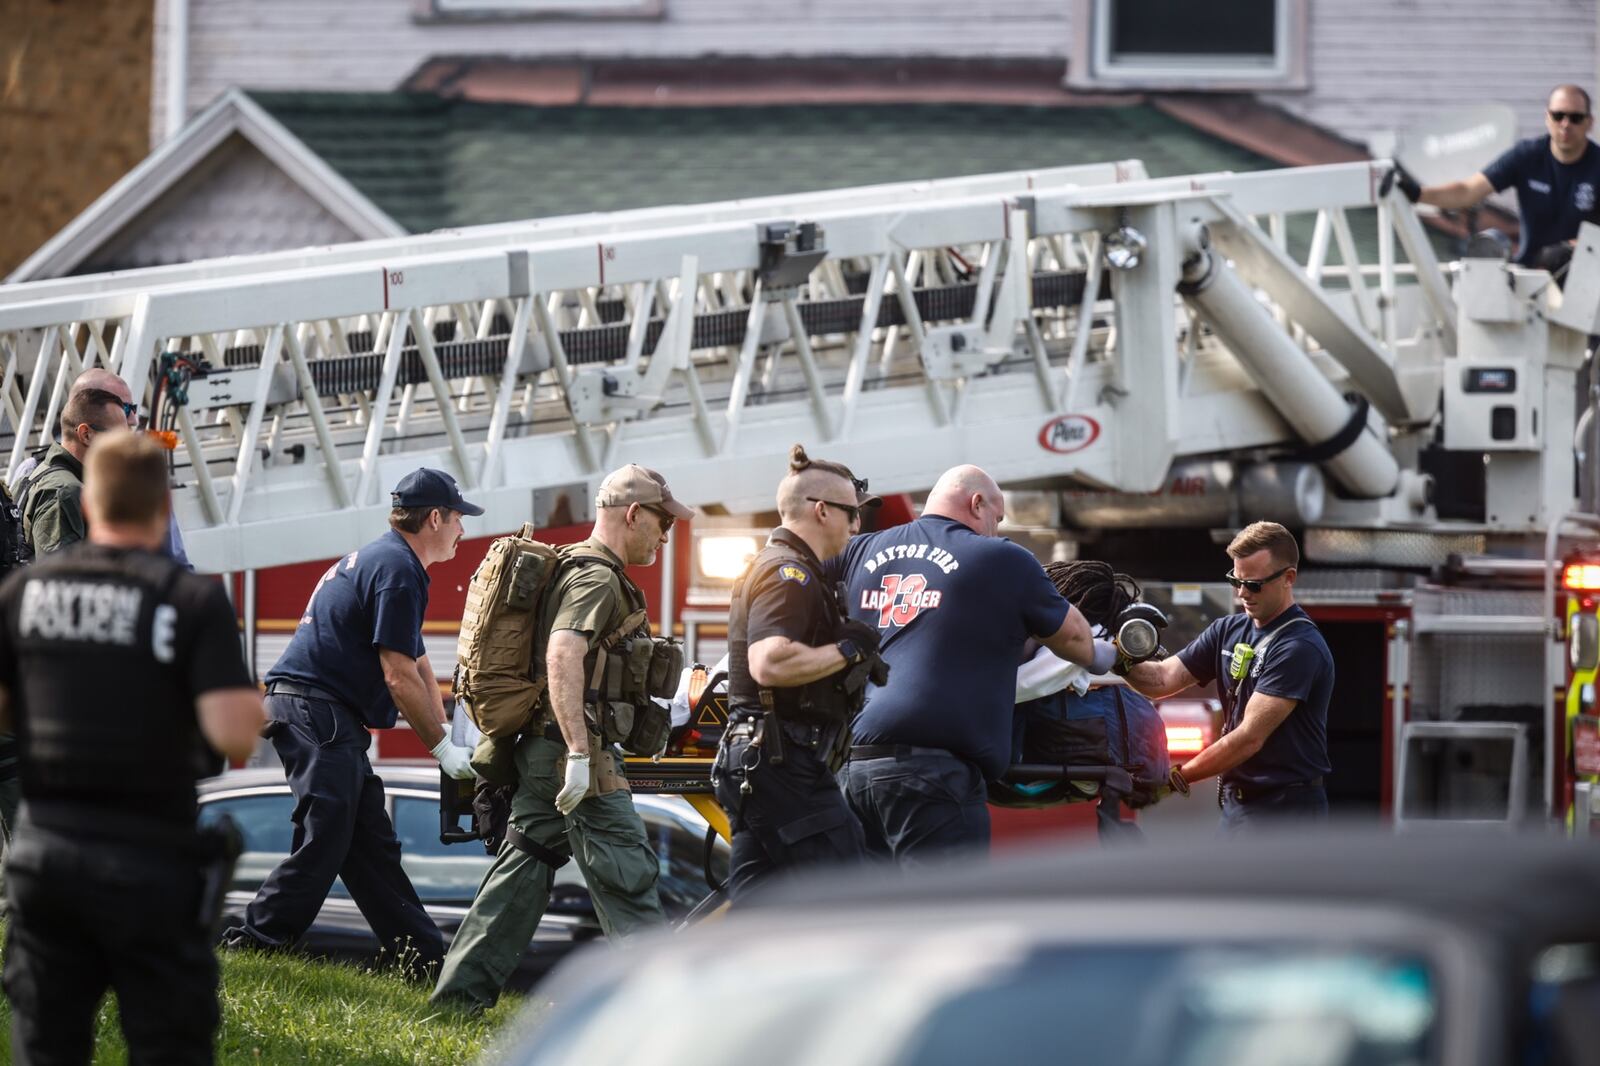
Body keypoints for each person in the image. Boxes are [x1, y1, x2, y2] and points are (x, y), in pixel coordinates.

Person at [0, 432, 264, 1065]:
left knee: (48, 1045)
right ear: (162, 509)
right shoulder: (190, 601)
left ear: (89, 503)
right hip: (148, 857)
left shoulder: (22, 594)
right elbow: (234, 735)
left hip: (45, 854)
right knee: (167, 1045)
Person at [432, 463, 691, 1013]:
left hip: (540, 748)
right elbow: (563, 652)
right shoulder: (596, 576)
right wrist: (577, 751)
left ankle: (455, 1004)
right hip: (576, 754)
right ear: (633, 513)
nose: (666, 534)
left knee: (521, 871)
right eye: (662, 521)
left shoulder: (570, 564)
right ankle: (671, 1017)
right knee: (628, 874)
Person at [222, 467, 481, 976]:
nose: (462, 530)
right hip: (318, 707)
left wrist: (451, 735)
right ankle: (253, 945)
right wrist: (444, 754)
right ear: (434, 518)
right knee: (329, 834)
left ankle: (426, 965)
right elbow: (397, 674)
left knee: (369, 848)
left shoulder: (384, 560)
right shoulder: (400, 570)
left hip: (312, 708)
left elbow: (419, 663)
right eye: (457, 519)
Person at [828, 464, 1117, 865]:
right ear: (976, 503)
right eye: (996, 518)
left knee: (875, 919)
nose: (996, 530)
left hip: (852, 772)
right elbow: (1074, 638)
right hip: (931, 776)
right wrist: (1109, 655)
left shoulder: (860, 550)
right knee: (946, 917)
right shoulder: (1001, 557)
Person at [714, 444, 884, 901]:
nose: (857, 526)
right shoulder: (790, 574)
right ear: (822, 510)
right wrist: (849, 649)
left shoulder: (778, 566)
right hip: (781, 761)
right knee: (854, 893)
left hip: (760, 760)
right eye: (851, 513)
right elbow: (769, 661)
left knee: (759, 908)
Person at [1122, 521, 1335, 832]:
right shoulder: (1228, 630)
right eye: (1235, 580)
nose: (1242, 592)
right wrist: (1111, 656)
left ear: (1289, 578)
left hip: (1287, 810)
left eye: (1254, 584)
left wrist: (1175, 778)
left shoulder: (1299, 646)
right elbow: (1162, 679)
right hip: (1239, 806)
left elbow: (1249, 738)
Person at [1394, 84, 1600, 269]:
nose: (1566, 124)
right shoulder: (1527, 155)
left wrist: (1571, 248)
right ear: (1547, 118)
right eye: (1558, 116)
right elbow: (1467, 191)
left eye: (1575, 118)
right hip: (1530, 276)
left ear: (1589, 122)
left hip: (1587, 280)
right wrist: (1417, 193)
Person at [19, 380, 134, 557]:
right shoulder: (65, 491)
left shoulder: (35, 475)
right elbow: (61, 578)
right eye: (118, 437)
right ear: (86, 434)